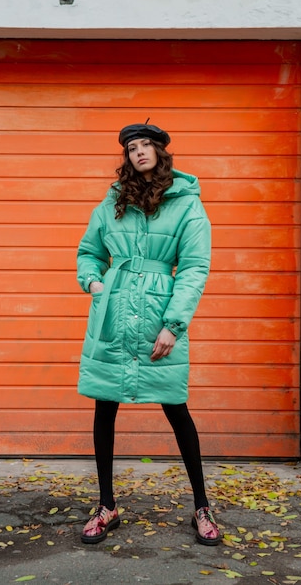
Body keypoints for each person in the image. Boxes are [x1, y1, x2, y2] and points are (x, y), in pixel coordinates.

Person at [76, 122, 220, 546]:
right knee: (105, 406)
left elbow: (194, 268)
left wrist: (173, 325)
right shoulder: (111, 202)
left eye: (145, 145)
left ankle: (202, 506)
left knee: (176, 408)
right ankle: (106, 505)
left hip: (159, 313)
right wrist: (94, 283)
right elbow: (89, 251)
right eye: (132, 147)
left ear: (160, 151)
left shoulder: (187, 205)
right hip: (114, 312)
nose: (138, 152)